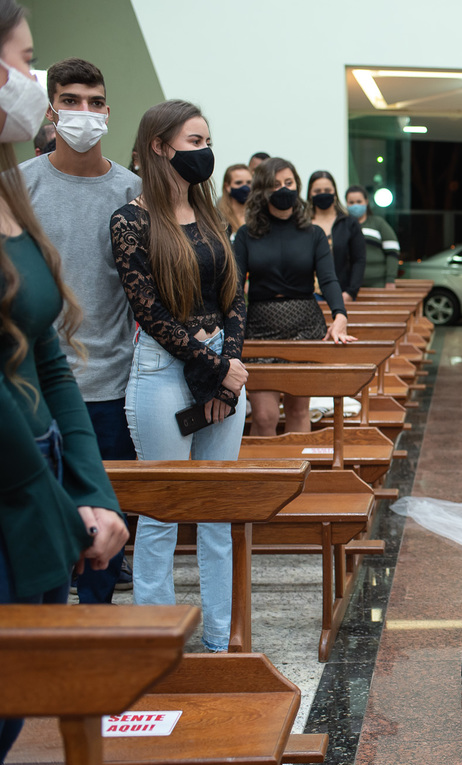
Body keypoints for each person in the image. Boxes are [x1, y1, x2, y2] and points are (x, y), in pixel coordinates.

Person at [0, 0, 128, 765]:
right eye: (23, 59)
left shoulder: (8, 193)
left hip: (38, 461)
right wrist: (56, 505)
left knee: (15, 704)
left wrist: (93, 489)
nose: (33, 79)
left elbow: (46, 350)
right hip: (11, 483)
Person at [110, 100, 247, 653]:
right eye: (195, 141)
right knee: (162, 514)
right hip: (163, 369)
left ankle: (219, 641)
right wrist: (215, 369)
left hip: (221, 362)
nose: (205, 152)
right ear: (160, 146)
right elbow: (147, 309)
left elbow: (236, 294)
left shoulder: (212, 215)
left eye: (207, 140)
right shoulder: (130, 220)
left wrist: (230, 367)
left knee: (217, 514)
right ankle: (156, 648)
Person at [20, 56, 140, 603]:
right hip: (32, 389)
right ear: (51, 110)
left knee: (104, 545)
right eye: (71, 101)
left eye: (94, 103)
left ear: (109, 112)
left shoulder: (133, 191)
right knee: (37, 536)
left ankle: (94, 651)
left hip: (111, 387)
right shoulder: (16, 187)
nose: (83, 113)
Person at [236, 157, 352, 436]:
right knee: (265, 416)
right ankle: (263, 479)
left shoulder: (312, 233)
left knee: (299, 411)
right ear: (263, 190)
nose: (284, 189)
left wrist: (340, 315)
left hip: (304, 326)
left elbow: (328, 279)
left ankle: (299, 478)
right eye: (276, 184)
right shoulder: (246, 234)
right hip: (261, 327)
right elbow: (235, 286)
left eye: (289, 183)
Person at [309, 170, 365, 303]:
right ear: (310, 194)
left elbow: (359, 260)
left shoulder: (349, 223)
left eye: (327, 190)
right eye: (317, 191)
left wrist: (351, 292)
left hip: (342, 294)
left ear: (335, 193)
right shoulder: (302, 224)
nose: (323, 194)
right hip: (308, 297)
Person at [346, 185, 400, 288]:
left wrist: (390, 279)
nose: (355, 205)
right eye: (351, 203)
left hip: (378, 283)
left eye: (359, 201)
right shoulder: (343, 226)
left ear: (366, 202)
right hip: (349, 285)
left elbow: (393, 252)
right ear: (346, 204)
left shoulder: (378, 223)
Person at [216, 163, 251, 234]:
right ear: (227, 186)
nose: (245, 187)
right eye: (239, 183)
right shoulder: (217, 218)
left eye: (249, 182)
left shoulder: (260, 217)